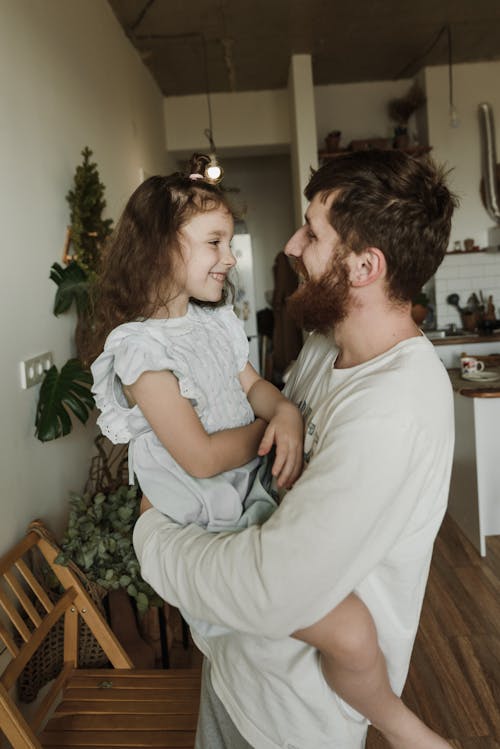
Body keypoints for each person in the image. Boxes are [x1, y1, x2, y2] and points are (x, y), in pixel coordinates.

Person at [133, 149, 458, 749]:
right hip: (241, 667)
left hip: (286, 721)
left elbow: (269, 590)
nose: (289, 245)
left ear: (364, 266)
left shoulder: (395, 411)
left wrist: (152, 539)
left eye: (312, 232)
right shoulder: (322, 347)